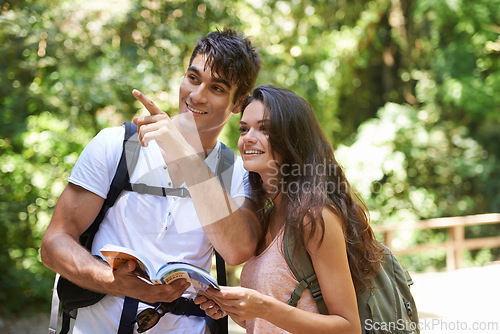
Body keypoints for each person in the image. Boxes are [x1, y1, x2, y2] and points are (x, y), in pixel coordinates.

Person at [41, 28, 262, 333]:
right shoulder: (116, 144)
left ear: (239, 103)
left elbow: (237, 250)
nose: (196, 95)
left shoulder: (238, 173)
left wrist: (184, 154)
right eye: (193, 79)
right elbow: (53, 244)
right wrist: (113, 281)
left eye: (217, 88)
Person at [196, 85, 385, 333]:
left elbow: (348, 327)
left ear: (292, 138)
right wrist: (234, 308)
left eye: (264, 129)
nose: (248, 138)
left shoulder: (314, 218)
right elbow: (275, 315)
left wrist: (263, 307)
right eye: (244, 129)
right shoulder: (266, 217)